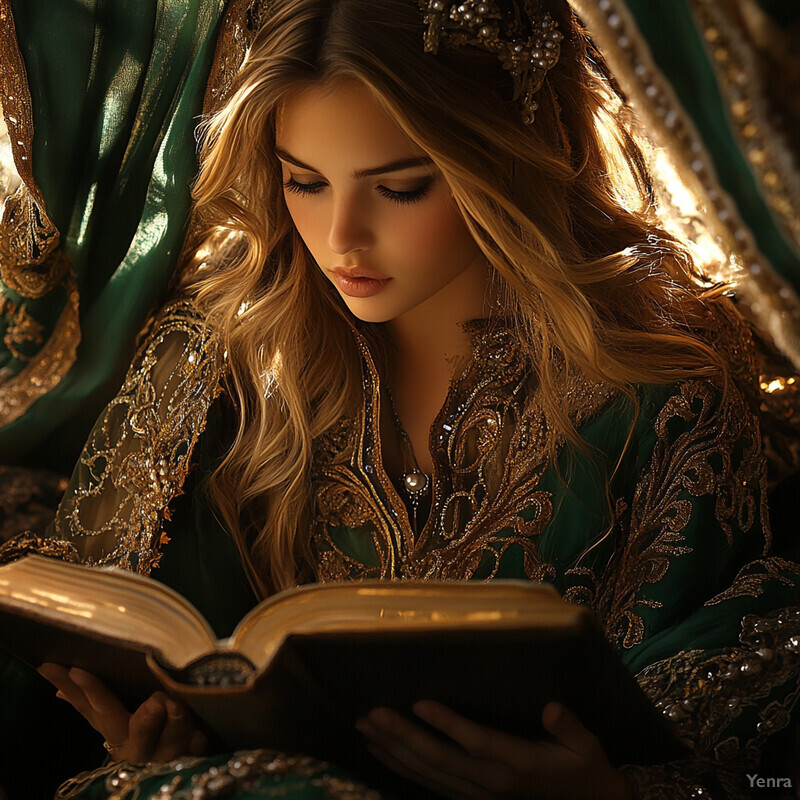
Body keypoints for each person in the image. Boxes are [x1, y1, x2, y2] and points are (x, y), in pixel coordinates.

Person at [2, 0, 800, 797]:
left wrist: (606, 793)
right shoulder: (234, 354)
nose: (342, 235)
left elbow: (705, 705)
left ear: (503, 157)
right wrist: (160, 741)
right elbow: (164, 635)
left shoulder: (654, 380)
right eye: (304, 182)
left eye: (402, 188)